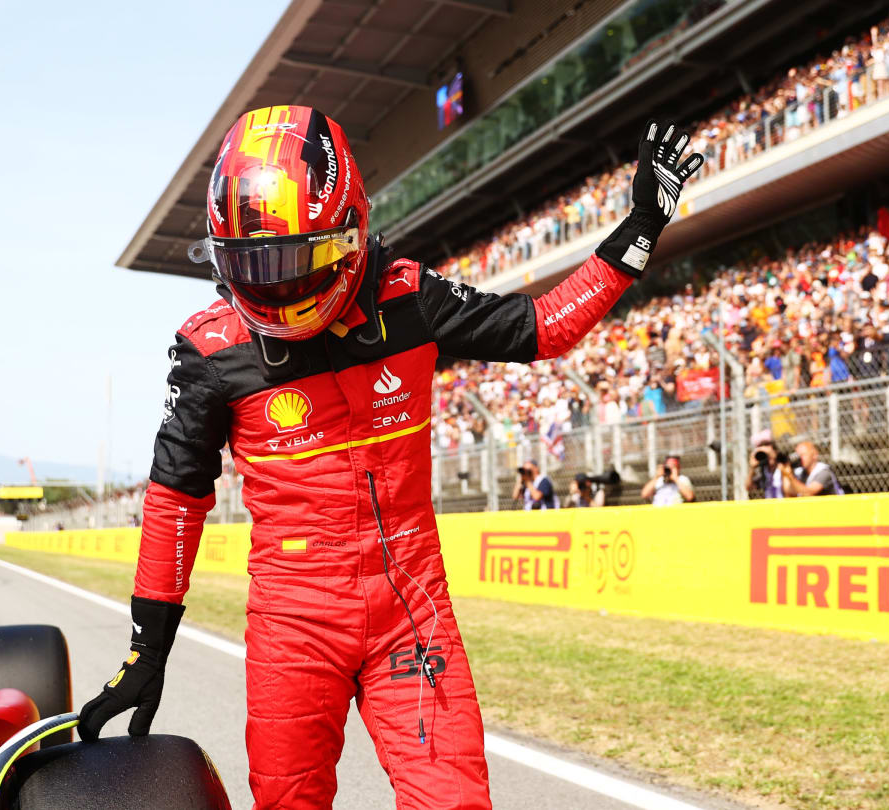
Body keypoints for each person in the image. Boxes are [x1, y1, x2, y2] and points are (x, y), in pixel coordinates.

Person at [75, 106, 704, 809]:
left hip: (411, 605)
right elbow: (175, 496)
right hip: (293, 620)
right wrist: (146, 646)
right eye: (252, 265)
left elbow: (544, 326)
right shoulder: (210, 346)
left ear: (349, 231)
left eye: (289, 262)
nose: (273, 286)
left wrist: (643, 225)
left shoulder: (409, 296)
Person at [747, 429, 784, 499]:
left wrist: (772, 455)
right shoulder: (764, 471)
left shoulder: (783, 465)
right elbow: (749, 487)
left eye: (766, 446)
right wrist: (752, 468)